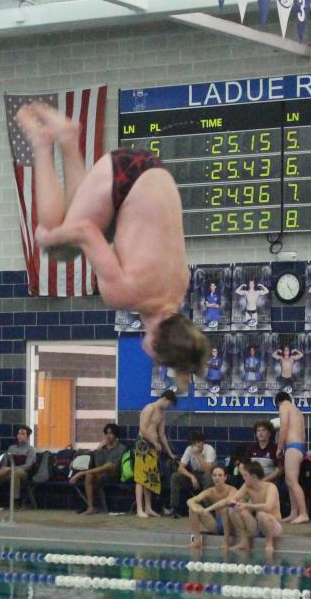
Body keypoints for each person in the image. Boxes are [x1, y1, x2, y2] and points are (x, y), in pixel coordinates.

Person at [16, 103, 207, 383]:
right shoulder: (126, 295)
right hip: (126, 178)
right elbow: (83, 230)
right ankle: (43, 143)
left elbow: (103, 234)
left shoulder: (179, 288)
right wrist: (47, 238)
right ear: (155, 345)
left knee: (94, 232)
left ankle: (68, 140)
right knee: (60, 244)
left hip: (153, 173)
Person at [134, 389, 178, 519]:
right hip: (143, 444)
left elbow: (162, 435)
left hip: (154, 446)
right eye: (169, 404)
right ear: (164, 399)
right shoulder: (150, 408)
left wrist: (170, 453)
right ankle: (139, 509)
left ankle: (148, 508)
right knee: (141, 478)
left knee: (150, 477)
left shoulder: (163, 414)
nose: (169, 407)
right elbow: (142, 428)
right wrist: (154, 442)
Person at [229, 460, 283, 560]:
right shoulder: (247, 486)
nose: (243, 478)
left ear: (253, 477)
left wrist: (246, 505)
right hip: (258, 526)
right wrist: (236, 504)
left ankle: (269, 543)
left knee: (262, 514)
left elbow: (268, 507)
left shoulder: (271, 487)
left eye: (245, 475)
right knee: (233, 510)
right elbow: (232, 499)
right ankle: (244, 542)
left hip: (273, 525)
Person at [70, 423, 124, 516]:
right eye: (106, 433)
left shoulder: (121, 448)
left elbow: (111, 465)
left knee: (109, 465)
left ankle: (81, 474)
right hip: (100, 474)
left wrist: (80, 473)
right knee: (90, 475)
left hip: (114, 474)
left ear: (115, 435)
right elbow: (98, 464)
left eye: (111, 433)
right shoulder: (102, 448)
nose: (108, 436)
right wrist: (98, 449)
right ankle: (91, 507)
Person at [187, 465, 240, 556]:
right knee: (192, 509)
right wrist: (196, 508)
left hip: (231, 526)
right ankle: (197, 541)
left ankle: (226, 541)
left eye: (220, 475)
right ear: (211, 477)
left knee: (225, 509)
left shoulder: (232, 489)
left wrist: (208, 509)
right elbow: (190, 501)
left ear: (225, 477)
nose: (217, 478)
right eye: (214, 475)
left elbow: (226, 501)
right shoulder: (210, 491)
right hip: (217, 525)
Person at [274, 391, 309, 524]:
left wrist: (279, 447)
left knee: (293, 482)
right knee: (290, 482)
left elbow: (284, 428)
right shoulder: (298, 411)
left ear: (278, 402)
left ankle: (303, 514)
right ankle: (294, 513)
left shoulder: (284, 407)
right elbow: (303, 434)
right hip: (299, 447)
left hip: (292, 447)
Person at [0, 424, 37, 508]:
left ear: (27, 437)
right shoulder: (11, 448)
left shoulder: (31, 449)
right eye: (18, 433)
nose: (19, 436)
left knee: (16, 474)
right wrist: (2, 469)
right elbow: (5, 461)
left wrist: (10, 469)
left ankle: (15, 501)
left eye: (22, 434)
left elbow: (28, 465)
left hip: (22, 472)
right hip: (8, 471)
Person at [171, 429, 217, 518]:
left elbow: (208, 470)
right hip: (195, 474)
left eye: (199, 442)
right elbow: (181, 468)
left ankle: (207, 508)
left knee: (207, 477)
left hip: (210, 475)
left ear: (203, 442)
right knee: (175, 476)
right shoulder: (189, 449)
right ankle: (175, 509)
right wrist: (192, 477)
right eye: (194, 442)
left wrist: (197, 455)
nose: (196, 444)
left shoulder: (209, 449)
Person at [245, 419, 281, 483]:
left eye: (263, 430)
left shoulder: (275, 449)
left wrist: (264, 480)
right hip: (252, 482)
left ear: (269, 433)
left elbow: (280, 469)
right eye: (258, 431)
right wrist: (247, 477)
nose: (260, 433)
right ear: (256, 434)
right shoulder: (251, 448)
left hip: (269, 483)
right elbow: (242, 465)